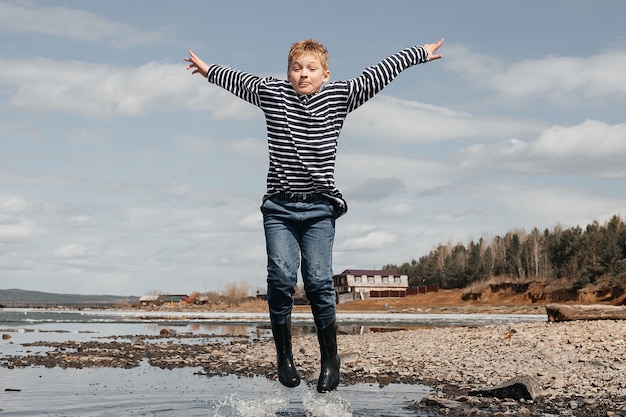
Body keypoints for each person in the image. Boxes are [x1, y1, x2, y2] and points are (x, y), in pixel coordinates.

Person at [184, 37, 444, 393]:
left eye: (310, 68)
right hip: (279, 206)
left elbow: (378, 74)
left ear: (325, 73)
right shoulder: (272, 94)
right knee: (279, 278)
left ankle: (330, 359)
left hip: (320, 207)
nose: (303, 74)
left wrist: (418, 54)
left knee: (320, 282)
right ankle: (284, 356)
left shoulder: (340, 95)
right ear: (288, 72)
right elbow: (239, 81)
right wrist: (209, 70)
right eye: (296, 68)